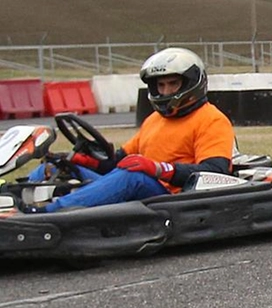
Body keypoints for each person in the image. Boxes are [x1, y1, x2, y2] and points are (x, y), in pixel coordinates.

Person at [24, 47, 233, 213]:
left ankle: (46, 213)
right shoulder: (154, 120)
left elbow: (216, 172)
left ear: (191, 84)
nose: (165, 91)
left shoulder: (211, 119)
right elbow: (119, 162)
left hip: (173, 197)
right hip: (144, 187)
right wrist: (85, 161)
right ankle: (12, 203)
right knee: (55, 165)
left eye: (173, 84)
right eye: (161, 85)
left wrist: (159, 169)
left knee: (133, 176)